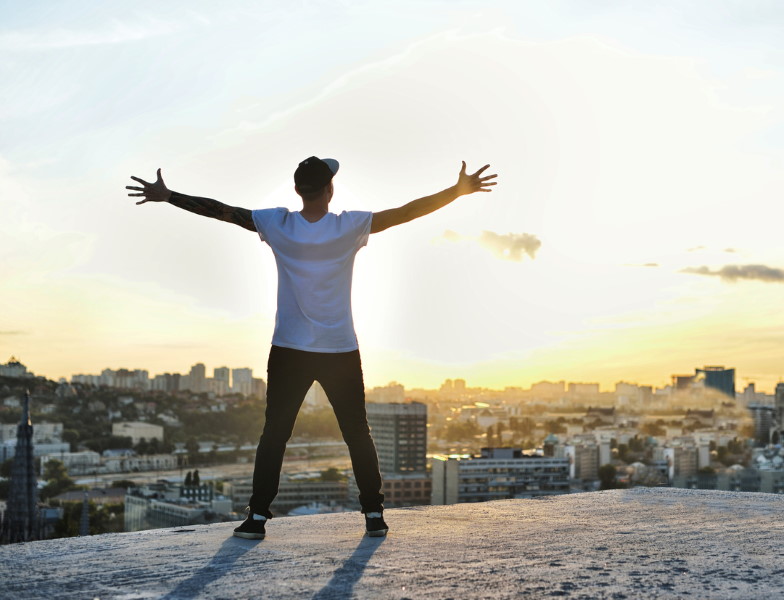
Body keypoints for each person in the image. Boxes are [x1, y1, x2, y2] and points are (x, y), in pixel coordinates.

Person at [126, 157, 497, 538]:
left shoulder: (278, 223)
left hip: (288, 348)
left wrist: (169, 196)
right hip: (339, 349)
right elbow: (406, 213)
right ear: (329, 189)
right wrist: (457, 191)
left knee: (275, 434)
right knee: (357, 432)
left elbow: (223, 212)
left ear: (297, 191)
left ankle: (256, 519)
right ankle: (373, 515)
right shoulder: (348, 225)